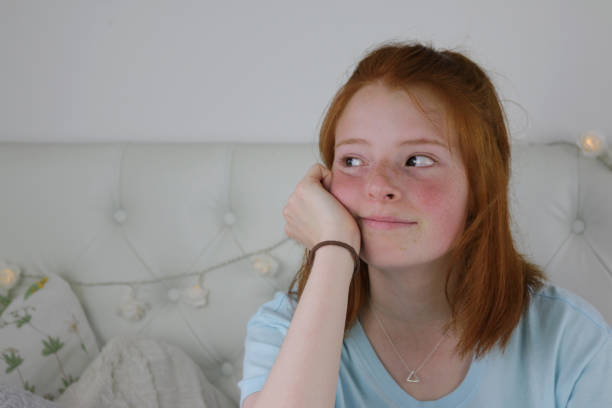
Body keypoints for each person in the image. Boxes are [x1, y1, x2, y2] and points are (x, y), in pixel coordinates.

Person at [237, 42, 612, 407]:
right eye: (352, 160)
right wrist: (334, 251)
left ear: (481, 184)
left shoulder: (571, 339)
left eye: (417, 160)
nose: (378, 185)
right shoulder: (282, 329)